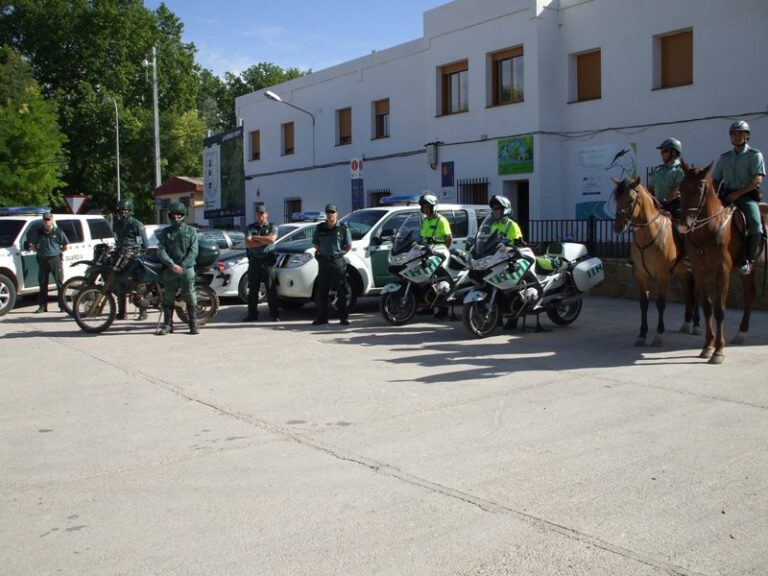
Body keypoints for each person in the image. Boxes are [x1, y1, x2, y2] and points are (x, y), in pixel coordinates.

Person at [712, 120, 765, 274]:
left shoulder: (754, 155)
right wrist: (714, 197)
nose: (736, 136)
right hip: (725, 197)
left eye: (740, 133)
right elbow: (715, 180)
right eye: (734, 134)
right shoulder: (725, 158)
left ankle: (748, 260)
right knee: (705, 218)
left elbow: (757, 179)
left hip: (746, 197)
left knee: (755, 223)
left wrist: (737, 194)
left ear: (746, 136)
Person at [155, 202, 199, 335]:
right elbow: (161, 250)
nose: (176, 217)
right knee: (168, 297)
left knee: (190, 295)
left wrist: (183, 266)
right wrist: (171, 264)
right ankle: (168, 325)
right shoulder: (166, 232)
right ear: (170, 215)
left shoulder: (191, 231)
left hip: (186, 268)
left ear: (184, 215)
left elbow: (194, 251)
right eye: (174, 214)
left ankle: (193, 324)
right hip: (170, 268)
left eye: (179, 214)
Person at [312, 203, 352, 326]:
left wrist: (338, 254)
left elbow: (348, 245)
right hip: (324, 261)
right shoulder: (320, 228)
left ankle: (343, 318)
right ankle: (322, 318)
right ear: (326, 214)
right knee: (322, 291)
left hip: (337, 261)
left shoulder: (343, 228)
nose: (331, 215)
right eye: (329, 212)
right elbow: (316, 244)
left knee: (341, 290)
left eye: (333, 212)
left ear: (337, 214)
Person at [242, 203, 279, 322]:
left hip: (268, 260)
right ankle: (252, 314)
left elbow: (272, 239)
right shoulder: (251, 227)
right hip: (255, 261)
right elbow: (248, 243)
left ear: (267, 214)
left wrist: (256, 238)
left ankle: (274, 314)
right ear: (256, 215)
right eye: (258, 214)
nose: (260, 216)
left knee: (270, 288)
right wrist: (264, 240)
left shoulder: (272, 226)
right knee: (253, 289)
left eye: (262, 214)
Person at [113, 198, 149, 320]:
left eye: (126, 210)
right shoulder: (116, 224)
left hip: (134, 257)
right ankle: (122, 312)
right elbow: (116, 240)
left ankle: (143, 311)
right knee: (119, 283)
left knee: (138, 285)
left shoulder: (137, 224)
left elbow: (144, 244)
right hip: (120, 256)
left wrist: (136, 252)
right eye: (121, 210)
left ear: (131, 210)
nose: (123, 212)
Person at [418, 194, 453, 318]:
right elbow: (422, 237)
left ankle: (443, 307)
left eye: (428, 206)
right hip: (428, 251)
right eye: (424, 206)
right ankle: (428, 305)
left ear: (434, 207)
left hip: (440, 250)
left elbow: (448, 238)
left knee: (440, 278)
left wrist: (443, 249)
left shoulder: (441, 220)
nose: (426, 209)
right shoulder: (425, 221)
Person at [28, 212, 68, 313]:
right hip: (43, 260)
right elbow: (33, 246)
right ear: (43, 221)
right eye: (45, 220)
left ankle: (63, 306)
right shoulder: (39, 232)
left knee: (59, 283)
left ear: (52, 220)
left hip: (55, 259)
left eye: (48, 219)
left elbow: (65, 246)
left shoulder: (59, 232)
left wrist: (57, 252)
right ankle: (42, 307)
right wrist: (39, 251)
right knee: (42, 283)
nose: (47, 222)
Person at [649, 138, 684, 222]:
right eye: (661, 152)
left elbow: (676, 190)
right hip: (657, 205)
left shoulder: (680, 170)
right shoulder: (658, 170)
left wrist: (663, 203)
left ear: (673, 152)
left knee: (682, 227)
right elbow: (649, 189)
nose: (661, 154)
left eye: (665, 151)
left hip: (673, 206)